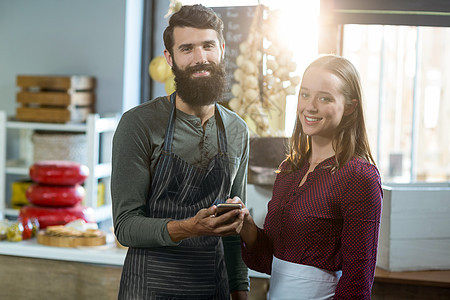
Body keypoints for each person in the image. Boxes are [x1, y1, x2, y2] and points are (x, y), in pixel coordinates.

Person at [111, 4, 249, 300]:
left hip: (212, 288)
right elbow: (125, 226)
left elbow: (233, 233)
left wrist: (240, 291)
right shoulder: (139, 123)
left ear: (222, 49)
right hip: (148, 287)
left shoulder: (238, 130)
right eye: (187, 49)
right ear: (170, 58)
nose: (201, 58)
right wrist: (189, 227)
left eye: (208, 46)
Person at [230, 55, 383, 299]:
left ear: (350, 107)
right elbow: (268, 261)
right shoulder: (289, 169)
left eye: (325, 98)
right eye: (304, 94)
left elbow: (357, 283)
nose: (310, 106)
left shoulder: (359, 177)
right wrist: (246, 225)